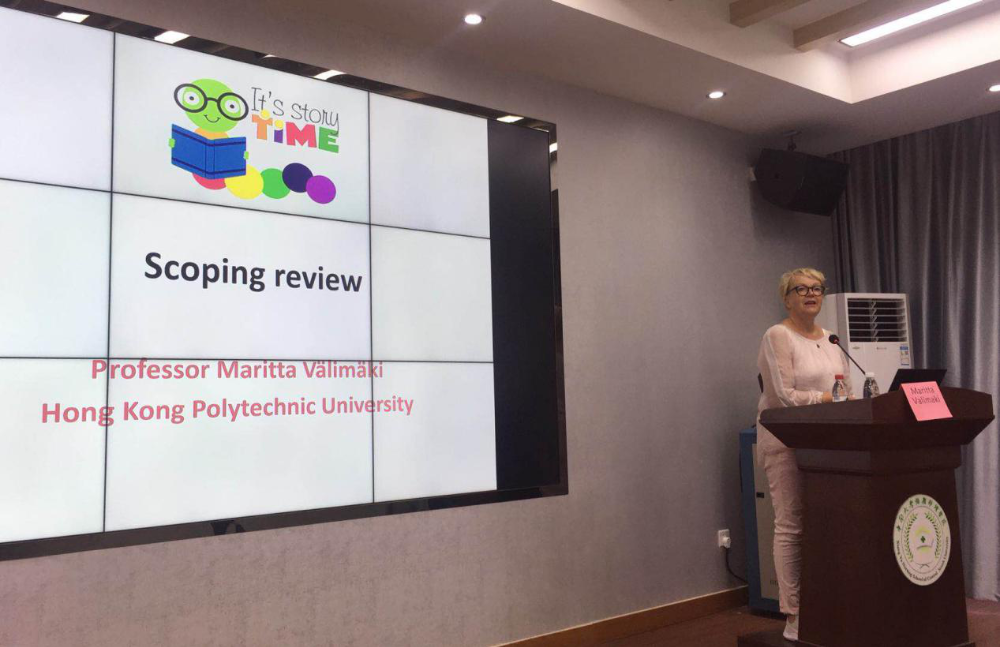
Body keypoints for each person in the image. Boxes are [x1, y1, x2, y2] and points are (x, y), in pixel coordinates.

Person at [756, 268, 850, 642]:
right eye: (801, 289)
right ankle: (794, 614)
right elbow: (782, 396)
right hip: (787, 441)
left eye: (817, 289)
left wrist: (849, 400)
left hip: (827, 445)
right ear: (787, 298)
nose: (811, 294)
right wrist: (830, 398)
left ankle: (828, 604)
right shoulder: (777, 335)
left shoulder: (831, 339)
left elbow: (845, 389)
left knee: (826, 524)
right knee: (791, 525)